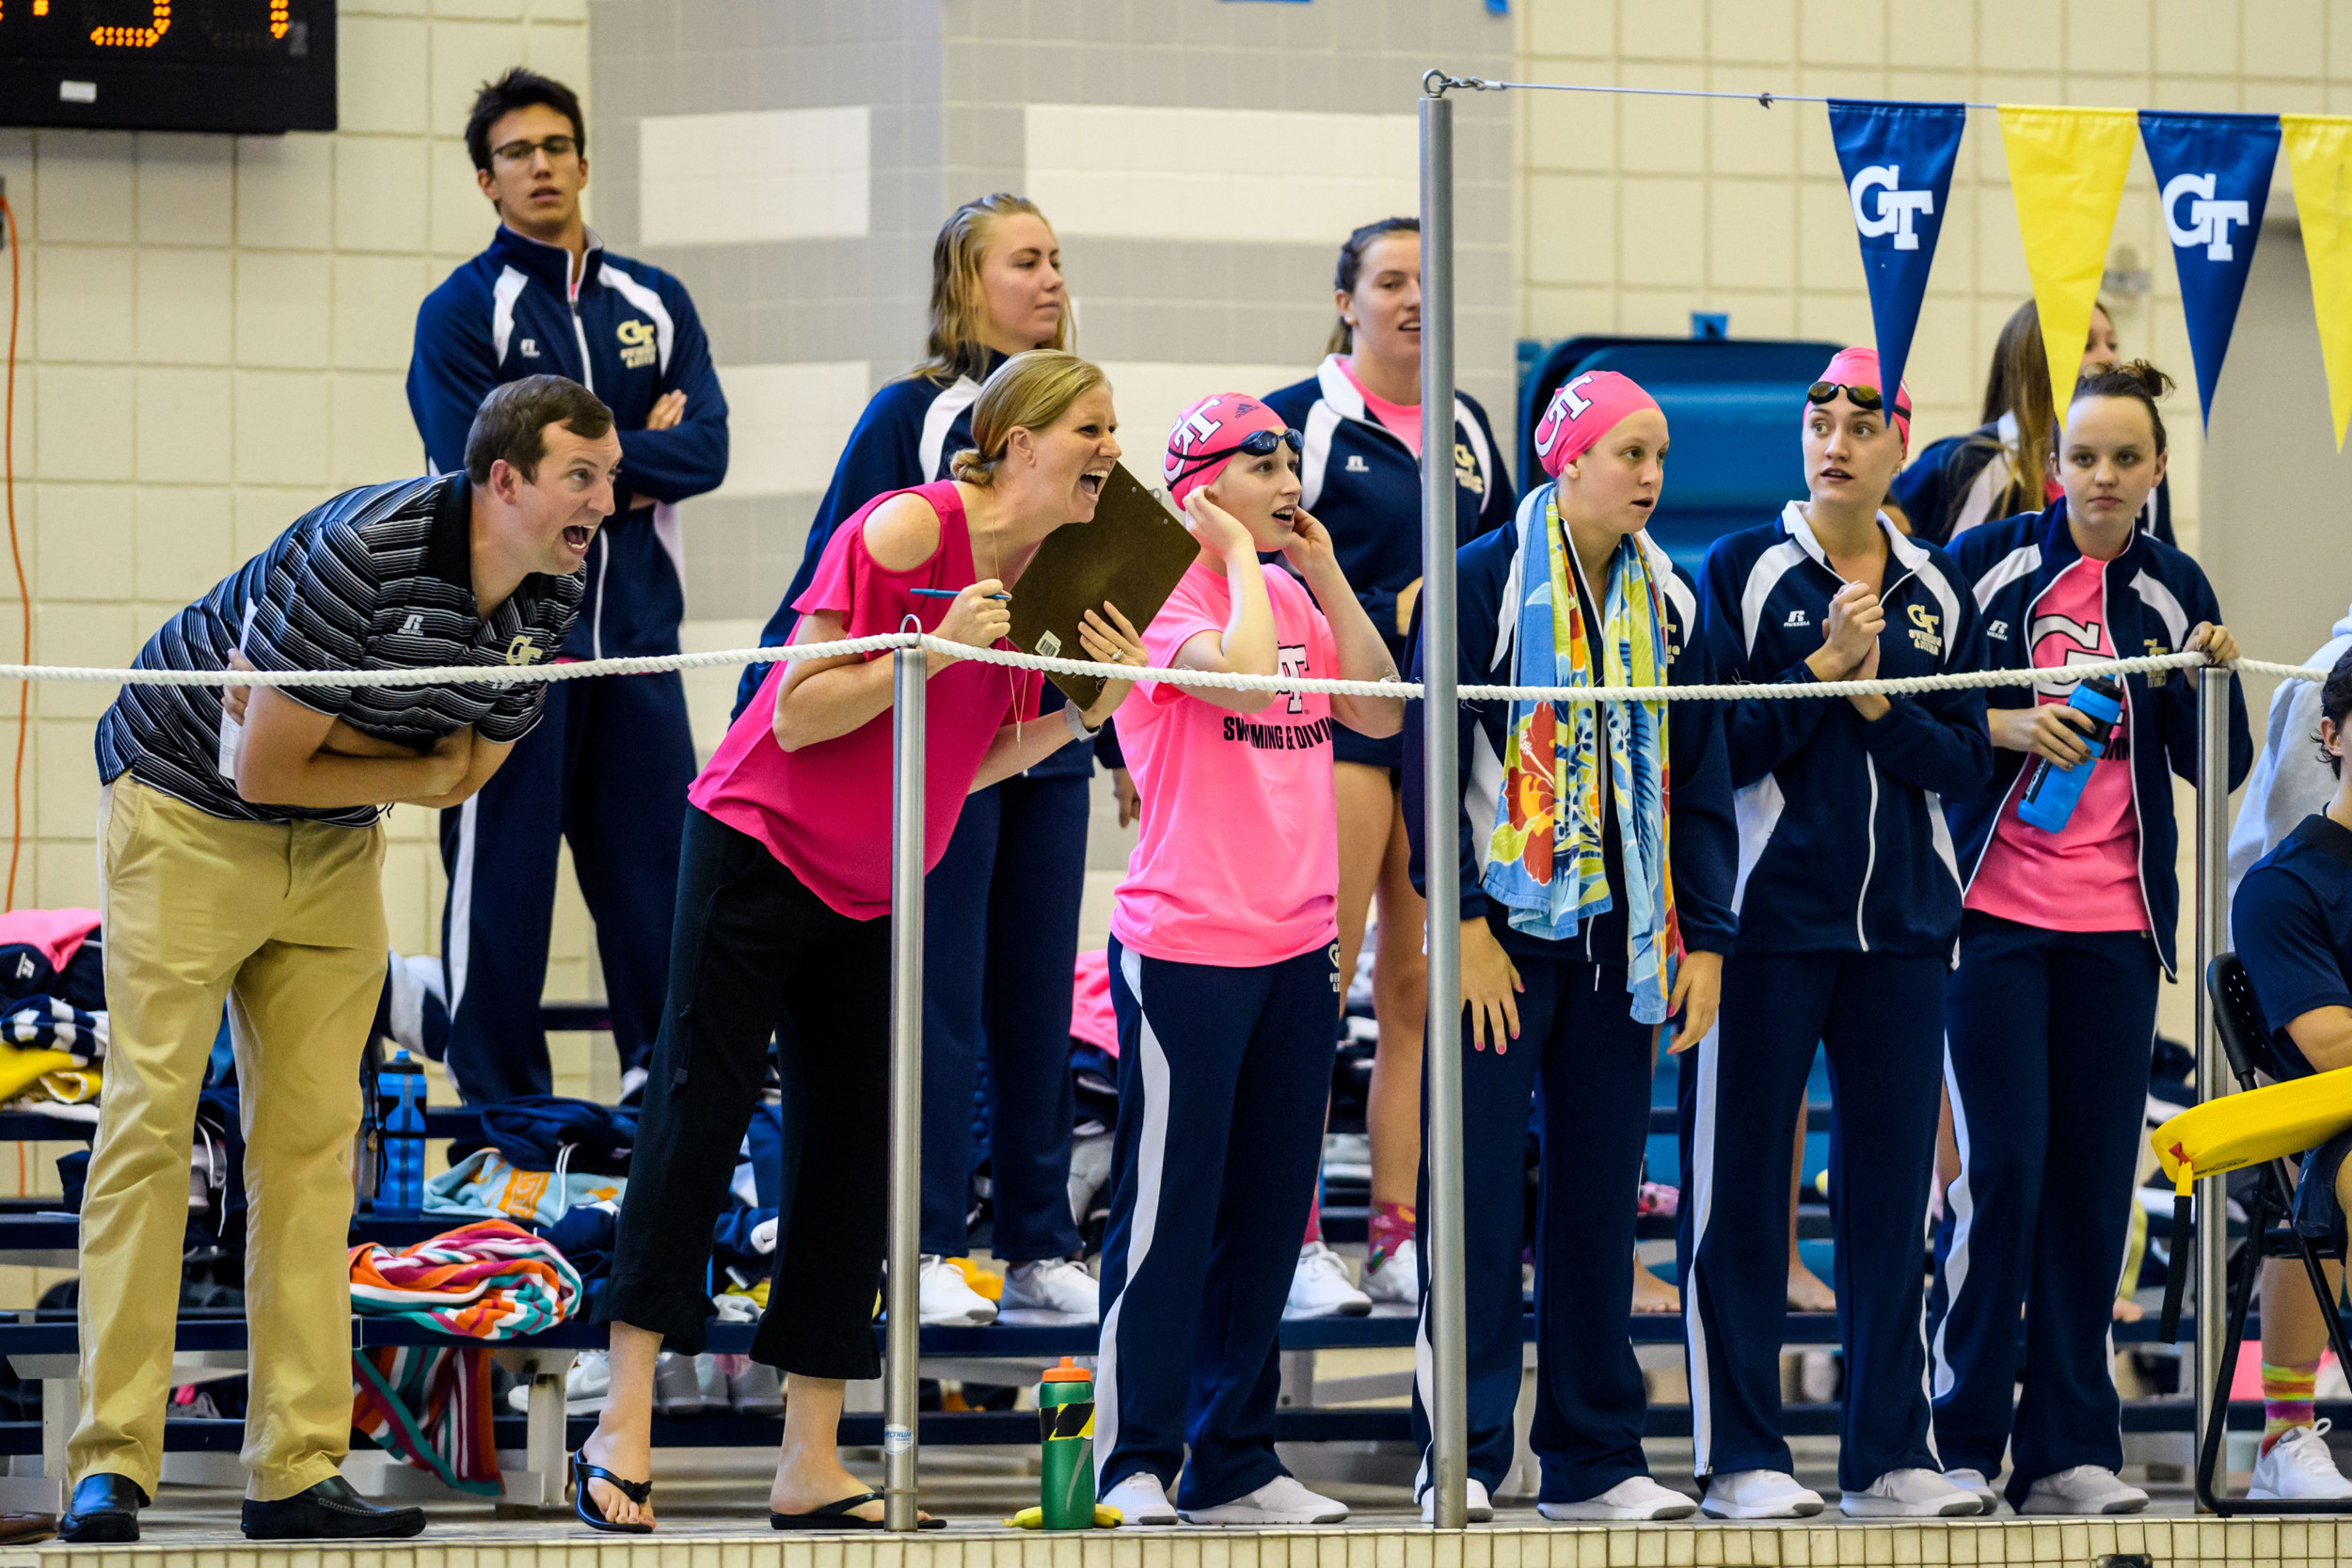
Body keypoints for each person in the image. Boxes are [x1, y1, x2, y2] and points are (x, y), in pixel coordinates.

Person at [573, 351, 1146, 1533]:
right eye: (1091, 427)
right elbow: (794, 708)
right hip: (758, 844)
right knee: (698, 1110)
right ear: (1021, 438)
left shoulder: (1062, 574)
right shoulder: (904, 531)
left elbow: (976, 759)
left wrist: (1087, 708)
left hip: (876, 881)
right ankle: (620, 1420)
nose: (1109, 450)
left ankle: (812, 1457)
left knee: (852, 1155)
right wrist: (924, 651)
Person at [62, 376, 616, 1544]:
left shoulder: (561, 581)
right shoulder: (366, 550)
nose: (602, 503)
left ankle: (296, 1468)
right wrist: (401, 763)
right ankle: (112, 1459)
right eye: (581, 476)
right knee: (150, 1128)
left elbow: (464, 772)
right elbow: (264, 766)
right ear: (502, 479)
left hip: (332, 847)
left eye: (609, 478)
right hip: (186, 817)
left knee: (315, 1149)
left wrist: (359, 753)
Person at [735, 194, 1095, 1327]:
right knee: (936, 999)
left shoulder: (1084, 419)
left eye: (1055, 261)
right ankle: (930, 1237)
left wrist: (1112, 728)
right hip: (945, 744)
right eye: (1023, 261)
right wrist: (773, 716)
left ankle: (1038, 1238)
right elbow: (829, 582)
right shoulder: (910, 414)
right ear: (963, 283)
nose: (1049, 280)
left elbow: (1102, 597)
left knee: (1037, 1002)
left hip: (1048, 744)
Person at [1404, 371, 1734, 1523]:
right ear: (1566, 458)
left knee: (1600, 1204)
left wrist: (1707, 939)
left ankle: (1595, 1457)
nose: (1648, 475)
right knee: (1481, 1200)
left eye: (1658, 456)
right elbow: (1426, 760)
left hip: (1625, 940)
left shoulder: (1673, 602)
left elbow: (1700, 782)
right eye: (1627, 452)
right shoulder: (1483, 579)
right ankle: (1466, 1452)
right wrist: (1458, 922)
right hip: (1499, 934)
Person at [1933, 361, 2249, 1516]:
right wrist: (2005, 720)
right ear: (2052, 464)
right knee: (2003, 1170)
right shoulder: (1988, 565)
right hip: (1994, 922)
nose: (2102, 477)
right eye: (2083, 457)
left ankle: (2068, 1443)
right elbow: (1922, 704)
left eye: (2126, 458)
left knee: (2087, 1189)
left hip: (2116, 934)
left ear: (2157, 469)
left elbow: (2224, 767)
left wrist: (2207, 679)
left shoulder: (2175, 590)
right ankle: (1958, 1438)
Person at [1681, 348, 1991, 1521]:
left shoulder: (1935, 588)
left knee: (1885, 1204)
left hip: (1905, 930)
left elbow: (1963, 761)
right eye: (1821, 417)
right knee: (1743, 1194)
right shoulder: (1743, 570)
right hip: (1765, 925)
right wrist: (1821, 672)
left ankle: (1885, 1454)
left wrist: (1873, 700)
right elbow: (1717, 747)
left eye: (1864, 421)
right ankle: (1739, 1455)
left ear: (1898, 444)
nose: (1837, 438)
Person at [1092, 392, 1402, 1528]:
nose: (1287, 478)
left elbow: (1370, 705)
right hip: (1186, 945)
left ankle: (1234, 1457)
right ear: (1201, 484)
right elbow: (1234, 678)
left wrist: (1320, 576)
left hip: (1298, 942)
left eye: (1289, 458)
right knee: (1171, 1211)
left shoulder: (1282, 590)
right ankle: (1135, 1455)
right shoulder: (1150, 596)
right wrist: (1224, 550)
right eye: (1260, 462)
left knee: (1271, 1213)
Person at [407, 68, 729, 1105]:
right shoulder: (461, 311)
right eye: (515, 153)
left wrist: (581, 471)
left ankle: (662, 1088)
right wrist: (639, 456)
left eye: (555, 146)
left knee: (658, 887)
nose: (539, 165)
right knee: (501, 892)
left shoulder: (655, 301)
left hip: (637, 641)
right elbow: (480, 469)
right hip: (506, 645)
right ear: (486, 182)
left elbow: (712, 450)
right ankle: (501, 1109)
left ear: (584, 163)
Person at [1263, 216, 1515, 1314]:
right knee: (1315, 984)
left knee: (1412, 990)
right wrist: (1379, 612)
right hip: (1336, 728)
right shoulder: (1300, 421)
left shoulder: (1466, 421)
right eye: (1391, 280)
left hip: (1437, 734)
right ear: (1345, 301)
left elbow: (1503, 567)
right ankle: (1297, 1231)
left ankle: (1395, 1231)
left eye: (1429, 277)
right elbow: (1252, 566)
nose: (1414, 298)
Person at [2233, 647, 2352, 1501]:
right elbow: (2332, 1047)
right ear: (2330, 732)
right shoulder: (2285, 886)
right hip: (2326, 1141)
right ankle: (2282, 1432)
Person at [1887, 300, 2170, 546]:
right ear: (2035, 362)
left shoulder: (2140, 468)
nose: (2110, 358)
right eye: (2087, 345)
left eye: (2112, 344)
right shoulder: (1960, 463)